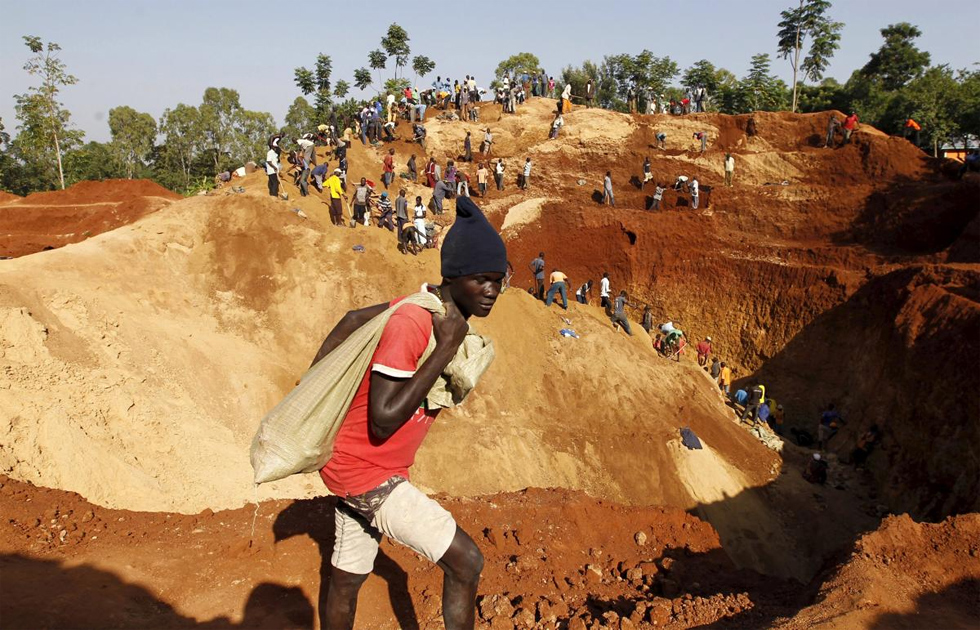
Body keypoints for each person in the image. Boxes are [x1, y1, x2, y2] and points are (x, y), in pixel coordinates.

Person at [316, 196, 506, 630]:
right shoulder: (417, 325)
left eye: (499, 280)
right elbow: (383, 419)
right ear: (456, 275)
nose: (492, 290)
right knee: (466, 561)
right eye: (482, 279)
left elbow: (354, 317)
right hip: (366, 470)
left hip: (364, 467)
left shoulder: (424, 309)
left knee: (347, 580)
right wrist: (444, 350)